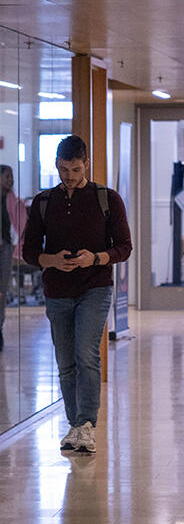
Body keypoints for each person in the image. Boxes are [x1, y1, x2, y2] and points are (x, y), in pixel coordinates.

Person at [22, 135, 132, 453]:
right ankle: (74, 426)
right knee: (65, 361)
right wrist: (52, 260)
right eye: (63, 168)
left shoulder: (107, 198)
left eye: (74, 168)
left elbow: (124, 248)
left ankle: (86, 425)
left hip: (95, 287)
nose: (69, 175)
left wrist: (93, 258)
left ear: (87, 164)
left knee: (86, 354)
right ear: (56, 165)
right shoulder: (43, 203)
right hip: (57, 290)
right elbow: (30, 252)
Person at [0, 165, 26, 351]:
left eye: (12, 177)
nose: (11, 180)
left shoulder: (13, 201)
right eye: (7, 177)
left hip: (5, 248)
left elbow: (20, 226)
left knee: (2, 291)